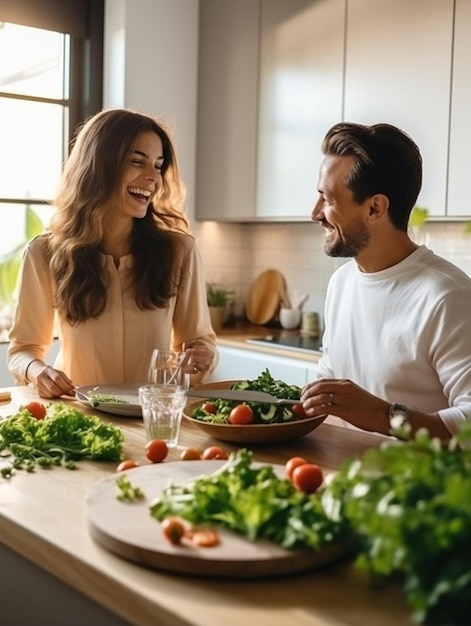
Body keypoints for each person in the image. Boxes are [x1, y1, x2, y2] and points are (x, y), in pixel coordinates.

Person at [7, 108, 217, 399]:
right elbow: (22, 350)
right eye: (136, 162)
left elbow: (201, 345)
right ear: (98, 165)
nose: (152, 178)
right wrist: (37, 370)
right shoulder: (45, 253)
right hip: (80, 416)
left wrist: (204, 356)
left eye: (158, 165)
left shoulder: (180, 252)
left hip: (151, 418)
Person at [300, 121, 471, 441]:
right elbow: (328, 384)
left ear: (375, 208)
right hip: (341, 479)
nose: (315, 212)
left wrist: (384, 416)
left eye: (329, 199)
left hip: (413, 488)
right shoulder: (341, 283)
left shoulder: (447, 298)